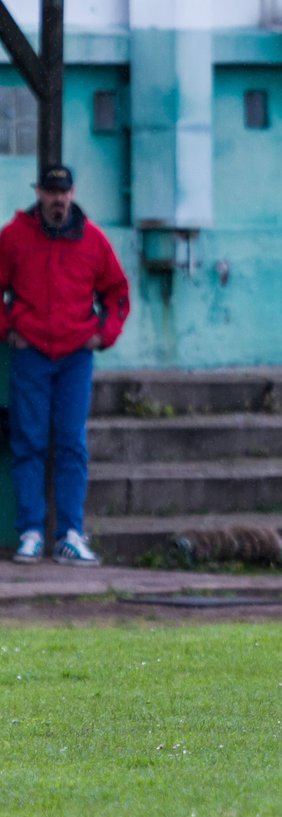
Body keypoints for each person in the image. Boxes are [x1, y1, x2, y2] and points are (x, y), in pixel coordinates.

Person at [0, 164, 130, 566]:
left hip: (75, 355)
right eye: (51, 192)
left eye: (64, 192)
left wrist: (103, 335)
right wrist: (8, 331)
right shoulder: (14, 237)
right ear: (39, 192)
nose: (58, 199)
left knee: (72, 444)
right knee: (29, 443)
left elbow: (117, 294)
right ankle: (32, 533)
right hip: (32, 354)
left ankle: (70, 533)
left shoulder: (93, 240)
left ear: (72, 194)